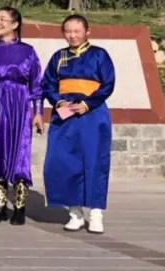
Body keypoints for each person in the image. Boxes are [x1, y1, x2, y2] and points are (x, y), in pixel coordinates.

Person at [43, 14, 115, 234]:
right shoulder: (59, 57)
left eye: (77, 31)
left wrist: (87, 104)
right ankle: (75, 213)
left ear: (87, 32)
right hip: (65, 115)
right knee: (64, 161)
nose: (72, 35)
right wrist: (59, 102)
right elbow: (48, 84)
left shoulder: (99, 55)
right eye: (68, 31)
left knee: (95, 161)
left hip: (92, 114)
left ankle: (96, 213)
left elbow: (108, 84)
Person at [0, 7, 44, 225]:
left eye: (3, 19)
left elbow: (36, 84)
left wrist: (38, 113)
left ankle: (20, 207)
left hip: (18, 104)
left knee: (19, 153)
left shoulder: (27, 51)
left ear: (15, 24)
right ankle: (0, 206)